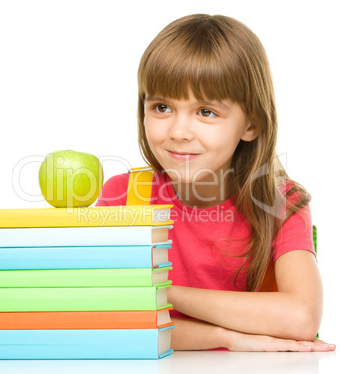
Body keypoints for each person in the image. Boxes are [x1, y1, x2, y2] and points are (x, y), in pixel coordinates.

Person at [96, 14, 336, 352]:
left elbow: (300, 318)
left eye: (206, 112)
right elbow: (106, 319)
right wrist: (226, 337)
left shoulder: (279, 200)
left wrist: (160, 291)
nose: (179, 132)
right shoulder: (123, 197)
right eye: (162, 106)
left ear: (251, 124)